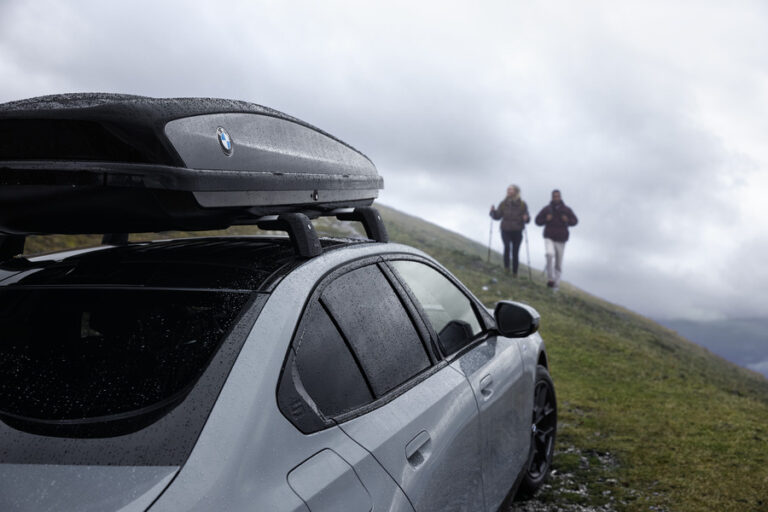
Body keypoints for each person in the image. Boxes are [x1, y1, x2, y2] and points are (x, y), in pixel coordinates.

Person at [535, 189, 578, 289]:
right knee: (549, 254)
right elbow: (537, 221)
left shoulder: (566, 210)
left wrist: (567, 220)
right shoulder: (547, 209)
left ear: (560, 197)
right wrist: (546, 219)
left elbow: (575, 221)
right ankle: (550, 279)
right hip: (549, 237)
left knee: (558, 263)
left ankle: (556, 285)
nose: (556, 198)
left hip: (561, 239)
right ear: (552, 197)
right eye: (554, 196)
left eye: (558, 196)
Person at [489, 185, 530, 277]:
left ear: (516, 192)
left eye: (511, 190)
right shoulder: (503, 204)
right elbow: (498, 216)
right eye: (508, 189)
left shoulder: (523, 204)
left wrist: (526, 218)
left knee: (515, 252)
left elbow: (527, 218)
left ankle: (515, 273)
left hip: (517, 231)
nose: (508, 191)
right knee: (507, 247)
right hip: (505, 230)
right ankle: (507, 269)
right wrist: (493, 212)